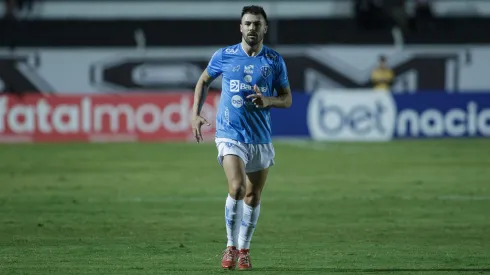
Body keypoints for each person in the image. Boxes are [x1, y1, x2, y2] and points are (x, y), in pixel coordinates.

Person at [190, 5, 292, 271]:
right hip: (229, 134)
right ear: (240, 27)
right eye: (247, 23)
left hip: (259, 137)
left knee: (253, 196)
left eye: (257, 24)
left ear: (264, 28)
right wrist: (195, 114)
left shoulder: (274, 61)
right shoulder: (224, 56)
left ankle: (244, 249)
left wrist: (267, 100)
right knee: (236, 188)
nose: (252, 28)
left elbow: (287, 99)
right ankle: (230, 245)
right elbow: (203, 81)